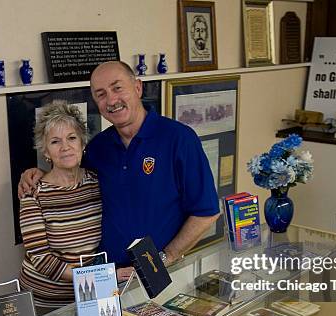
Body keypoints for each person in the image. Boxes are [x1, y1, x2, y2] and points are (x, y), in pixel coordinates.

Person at [19, 61, 219, 270]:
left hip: (161, 270)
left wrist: (165, 258)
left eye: (117, 88)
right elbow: (70, 174)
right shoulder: (98, 147)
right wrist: (38, 174)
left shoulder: (179, 139)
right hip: (109, 274)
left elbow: (206, 211)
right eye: (101, 94)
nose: (112, 100)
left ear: (138, 87)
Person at [19, 100, 108, 312]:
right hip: (44, 302)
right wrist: (93, 278)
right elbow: (41, 258)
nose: (65, 147)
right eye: (55, 142)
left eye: (71, 138)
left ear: (82, 143)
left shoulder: (97, 183)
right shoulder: (34, 192)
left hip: (90, 296)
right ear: (46, 152)